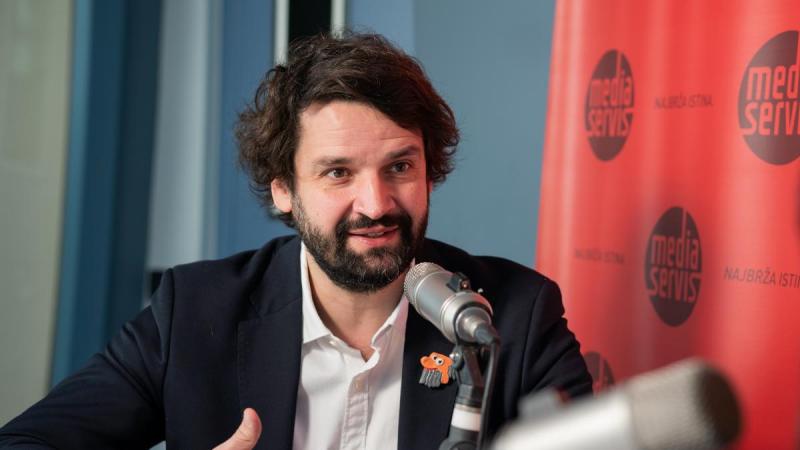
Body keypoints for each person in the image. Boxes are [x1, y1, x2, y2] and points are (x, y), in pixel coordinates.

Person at [0, 32, 591, 450]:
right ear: (283, 189)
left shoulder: (513, 314)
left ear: (429, 169)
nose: (376, 204)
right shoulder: (194, 313)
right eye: (338, 173)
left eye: (400, 167)